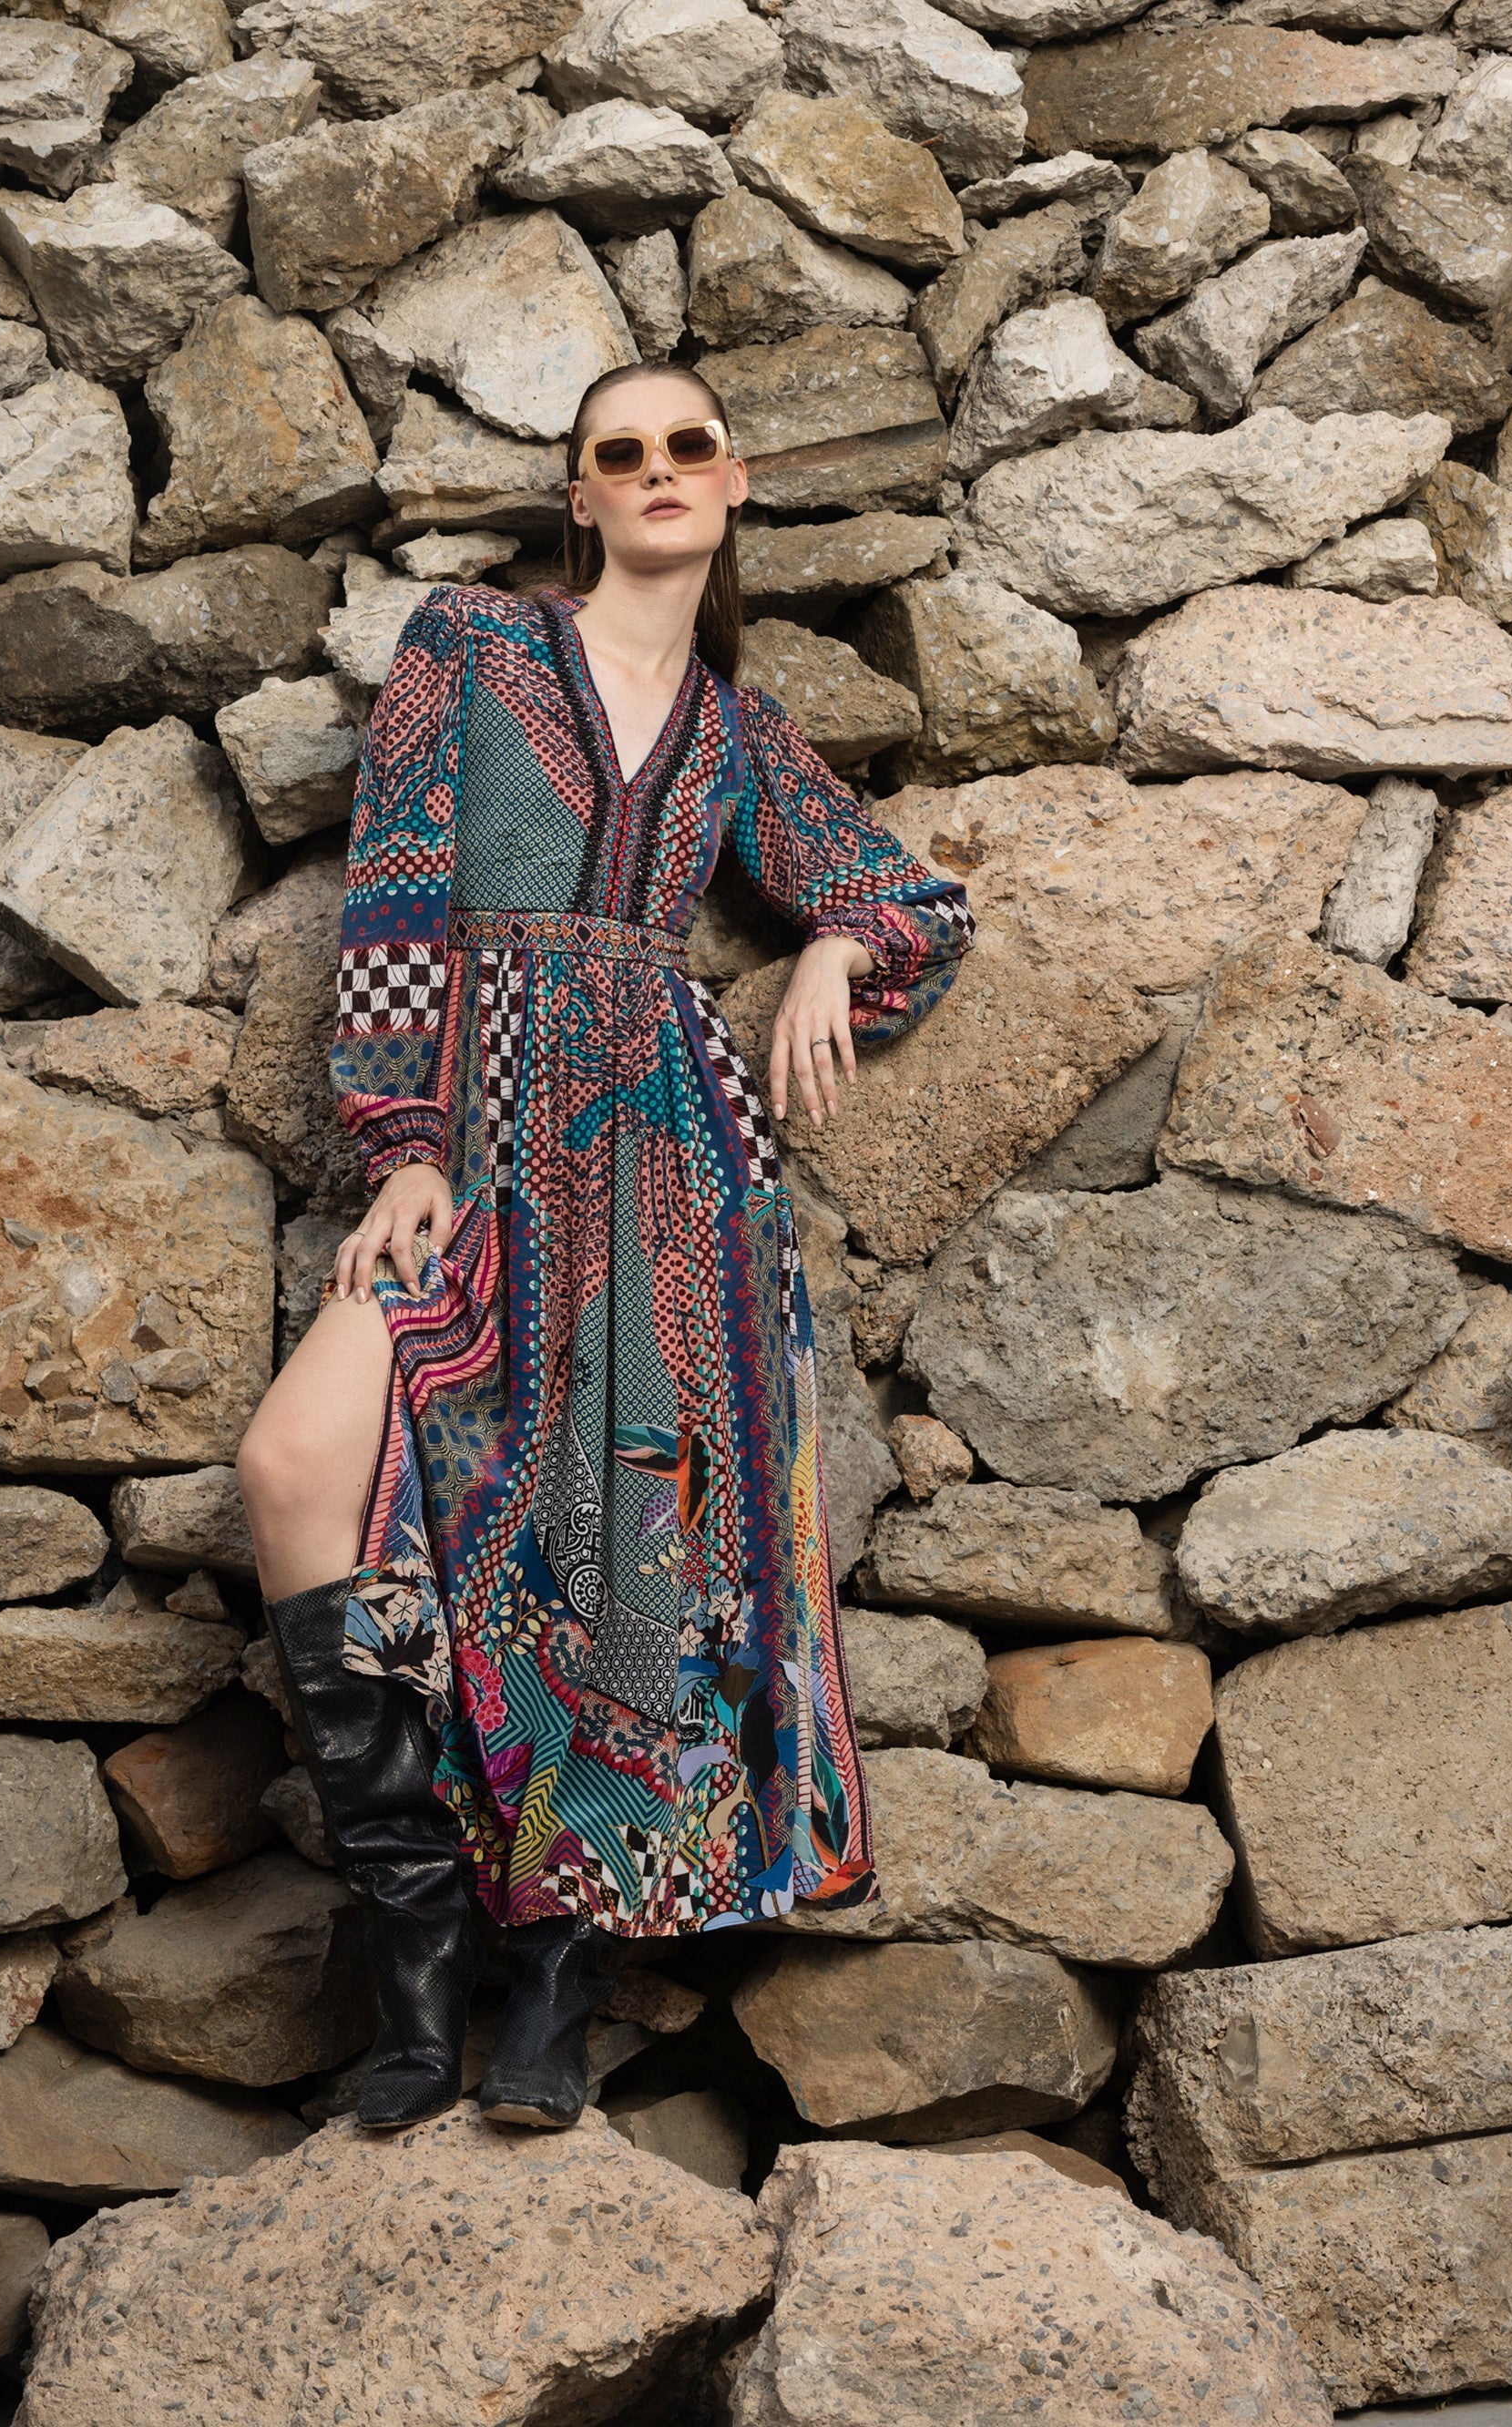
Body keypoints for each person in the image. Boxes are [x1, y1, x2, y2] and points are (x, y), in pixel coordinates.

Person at [236, 361, 975, 2136]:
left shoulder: (734, 732)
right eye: (618, 452)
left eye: (685, 448)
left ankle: (553, 1977)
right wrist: (403, 1143)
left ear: (732, 483)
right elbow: (396, 894)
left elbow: (912, 908)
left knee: (616, 1558)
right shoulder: (472, 646)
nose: (655, 470)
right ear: (578, 495)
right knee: (293, 1463)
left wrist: (824, 949)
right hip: (481, 1136)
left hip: (667, 1167)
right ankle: (418, 1942)